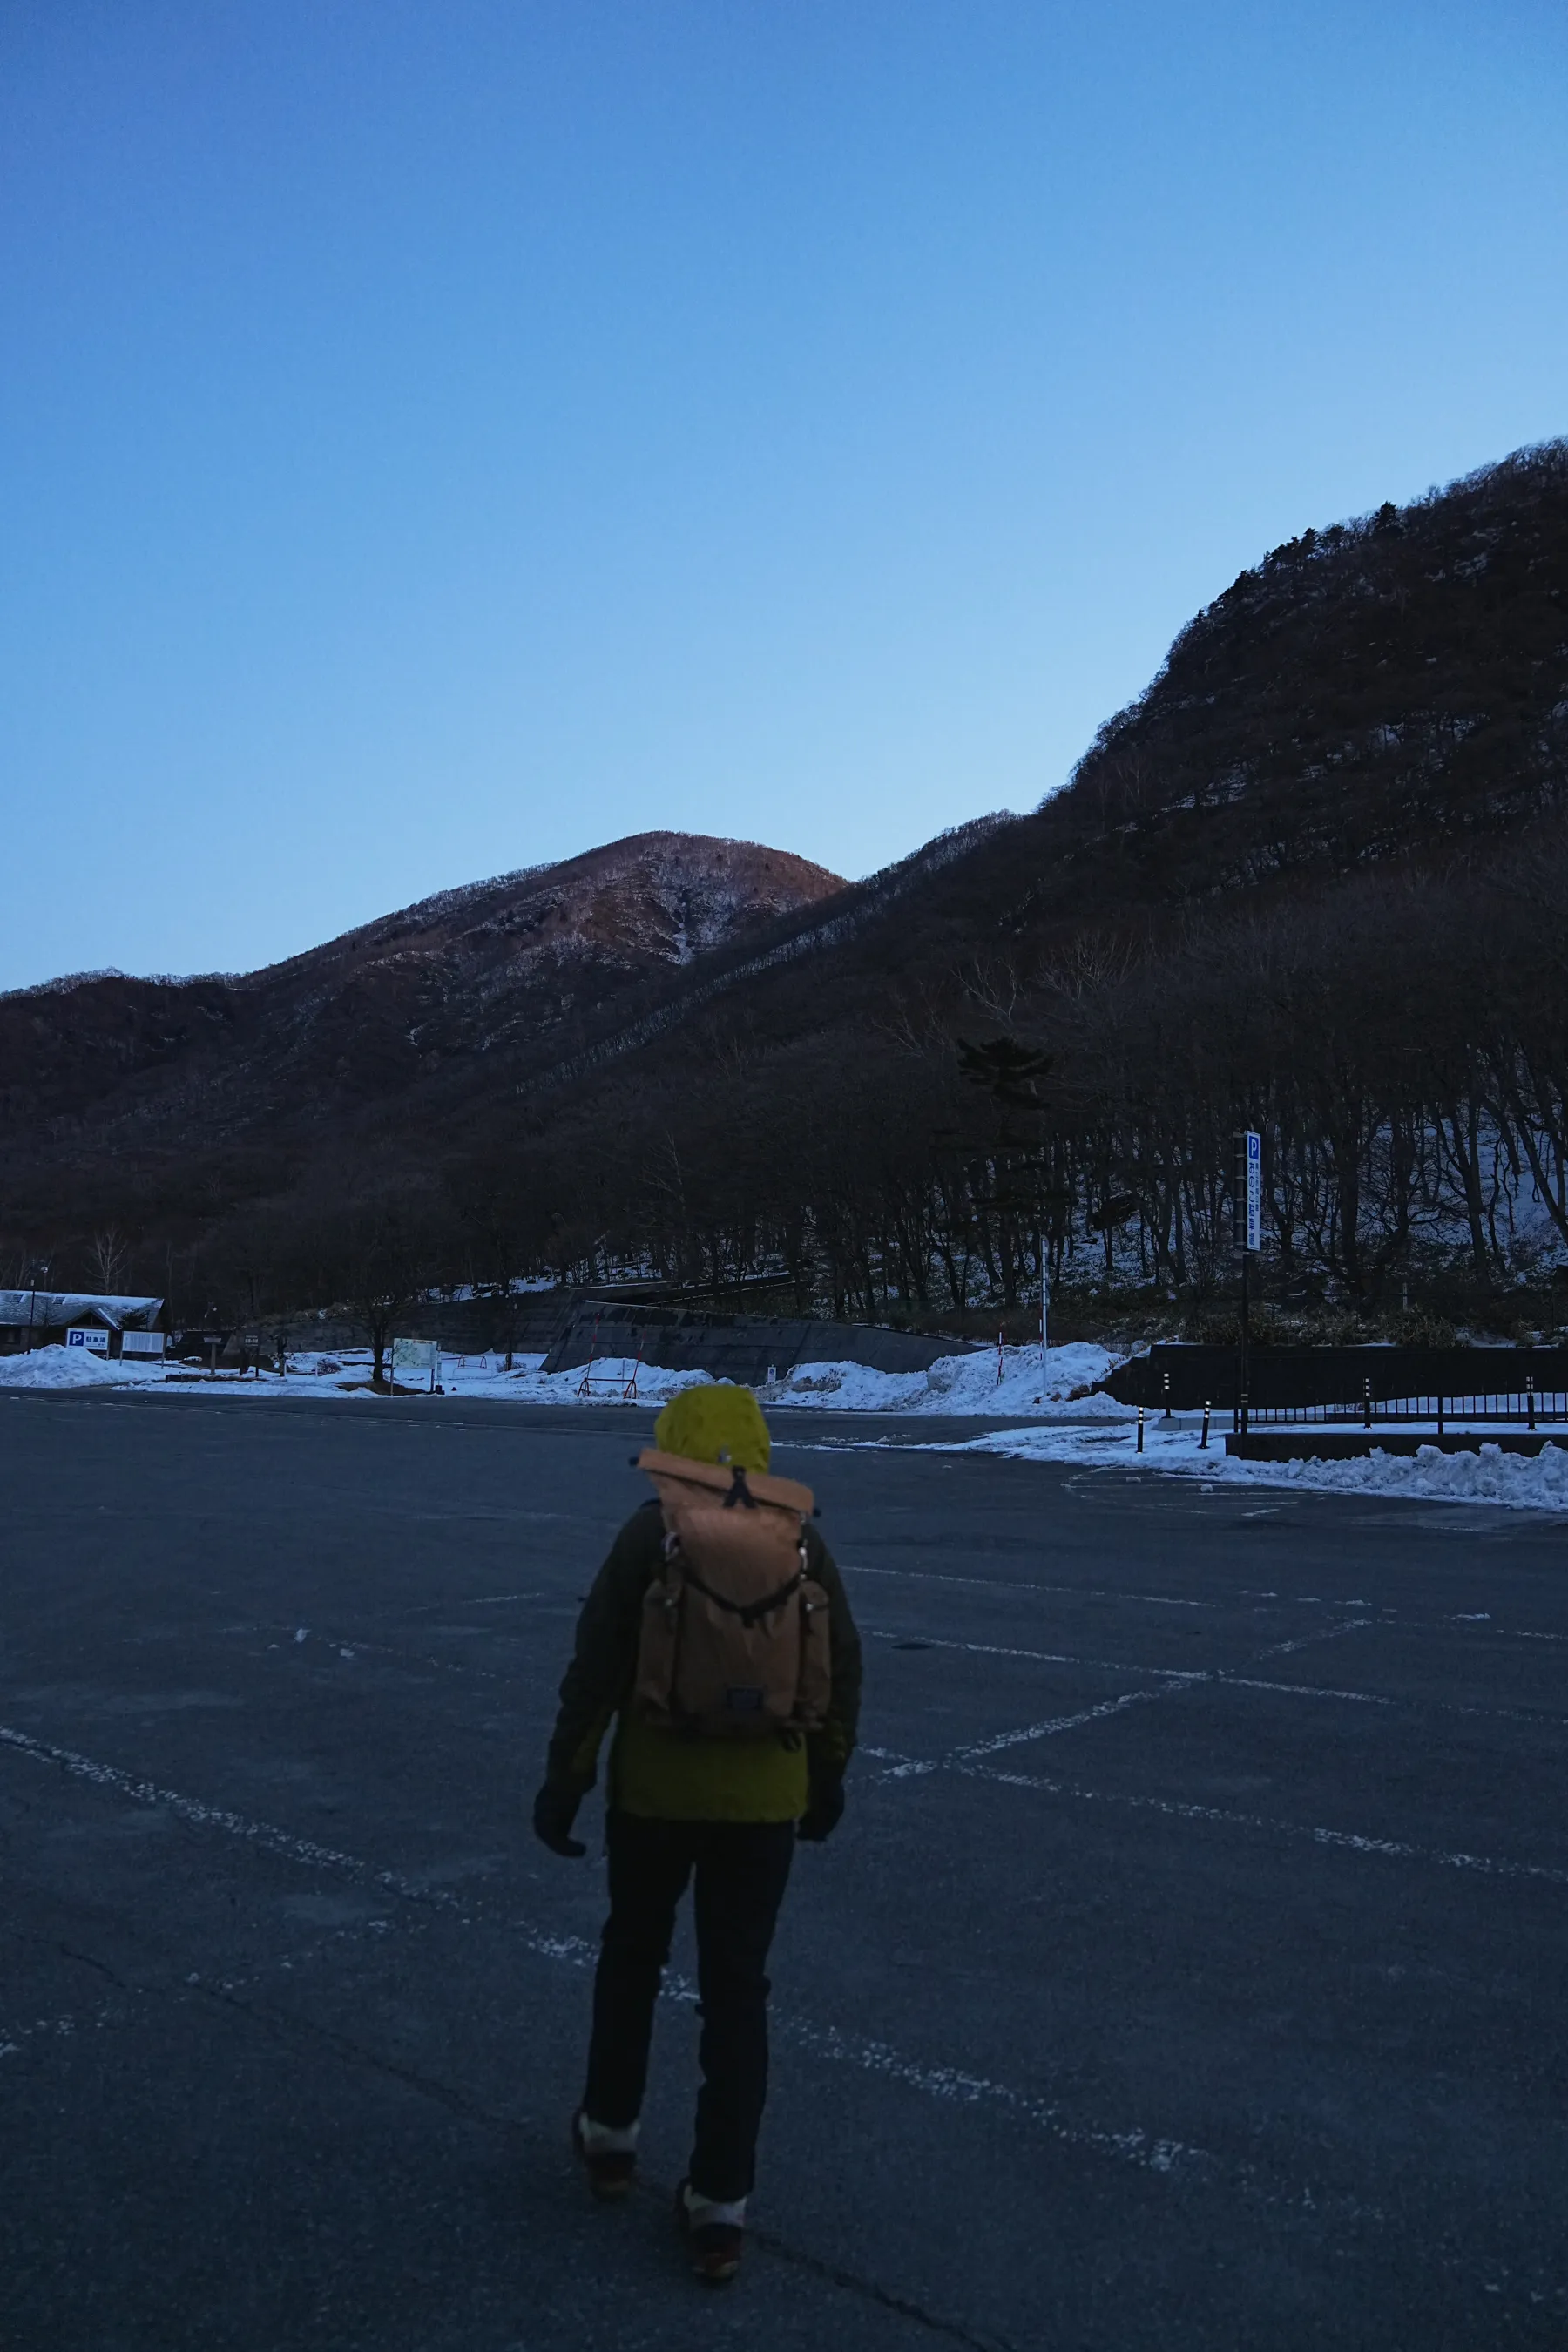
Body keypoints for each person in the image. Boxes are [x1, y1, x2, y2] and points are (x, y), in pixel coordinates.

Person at [531, 1382, 861, 2285]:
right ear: (757, 1443)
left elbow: (595, 1667)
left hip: (654, 1795)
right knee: (737, 1994)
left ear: (672, 1442)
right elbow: (840, 1666)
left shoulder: (652, 1533)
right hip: (762, 1809)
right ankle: (720, 2204)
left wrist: (566, 1780)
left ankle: (610, 2136)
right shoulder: (800, 1533)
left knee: (632, 1958)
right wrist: (824, 1778)